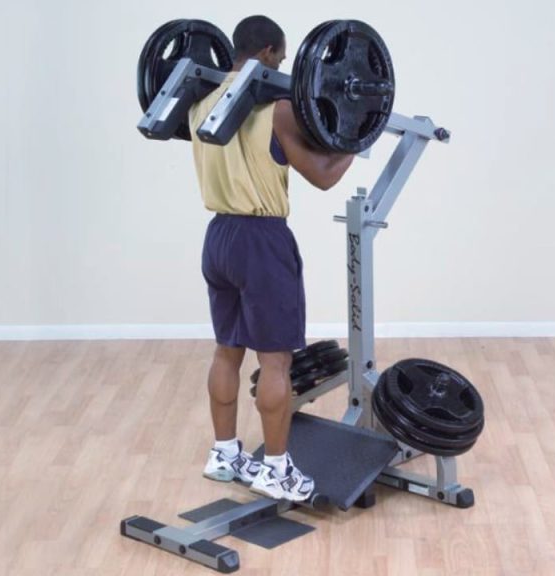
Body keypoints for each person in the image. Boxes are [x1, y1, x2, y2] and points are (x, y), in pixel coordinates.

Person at [187, 15, 355, 502]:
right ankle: (277, 470)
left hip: (218, 235)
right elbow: (323, 175)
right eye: (280, 58)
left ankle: (224, 453)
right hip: (261, 239)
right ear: (266, 54)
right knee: (276, 359)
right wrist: (360, 135)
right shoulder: (276, 112)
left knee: (226, 349)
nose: (282, 66)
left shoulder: (198, 104)